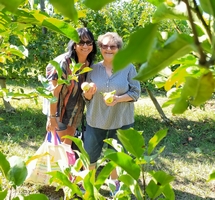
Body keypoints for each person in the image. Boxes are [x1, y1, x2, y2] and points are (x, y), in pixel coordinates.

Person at [82, 32, 141, 195]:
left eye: (112, 46)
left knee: (117, 154)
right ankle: (90, 185)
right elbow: (86, 97)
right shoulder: (92, 68)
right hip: (96, 117)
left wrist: (118, 98)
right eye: (104, 46)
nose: (108, 49)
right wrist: (88, 92)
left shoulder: (128, 67)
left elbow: (136, 93)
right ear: (100, 48)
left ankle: (115, 187)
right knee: (90, 152)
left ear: (118, 49)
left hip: (121, 118)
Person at [42, 27, 97, 145]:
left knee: (66, 148)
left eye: (89, 42)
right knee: (56, 149)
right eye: (81, 42)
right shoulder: (64, 62)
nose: (85, 45)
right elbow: (54, 92)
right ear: (74, 45)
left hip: (74, 114)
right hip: (59, 112)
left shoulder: (90, 65)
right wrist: (51, 117)